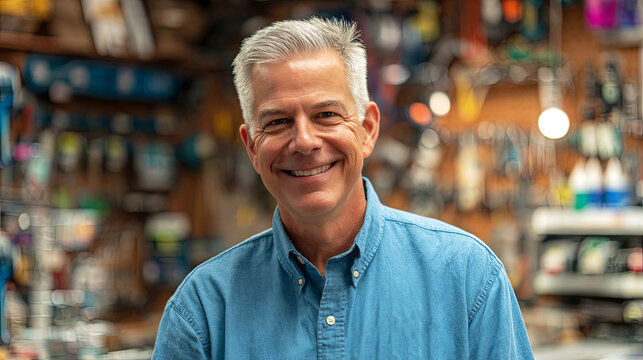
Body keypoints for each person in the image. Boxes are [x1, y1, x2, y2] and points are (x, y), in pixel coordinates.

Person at [153, 17, 534, 359]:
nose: (304, 141)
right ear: (251, 147)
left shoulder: (467, 277)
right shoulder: (202, 310)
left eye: (326, 115)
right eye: (278, 122)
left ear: (367, 130)